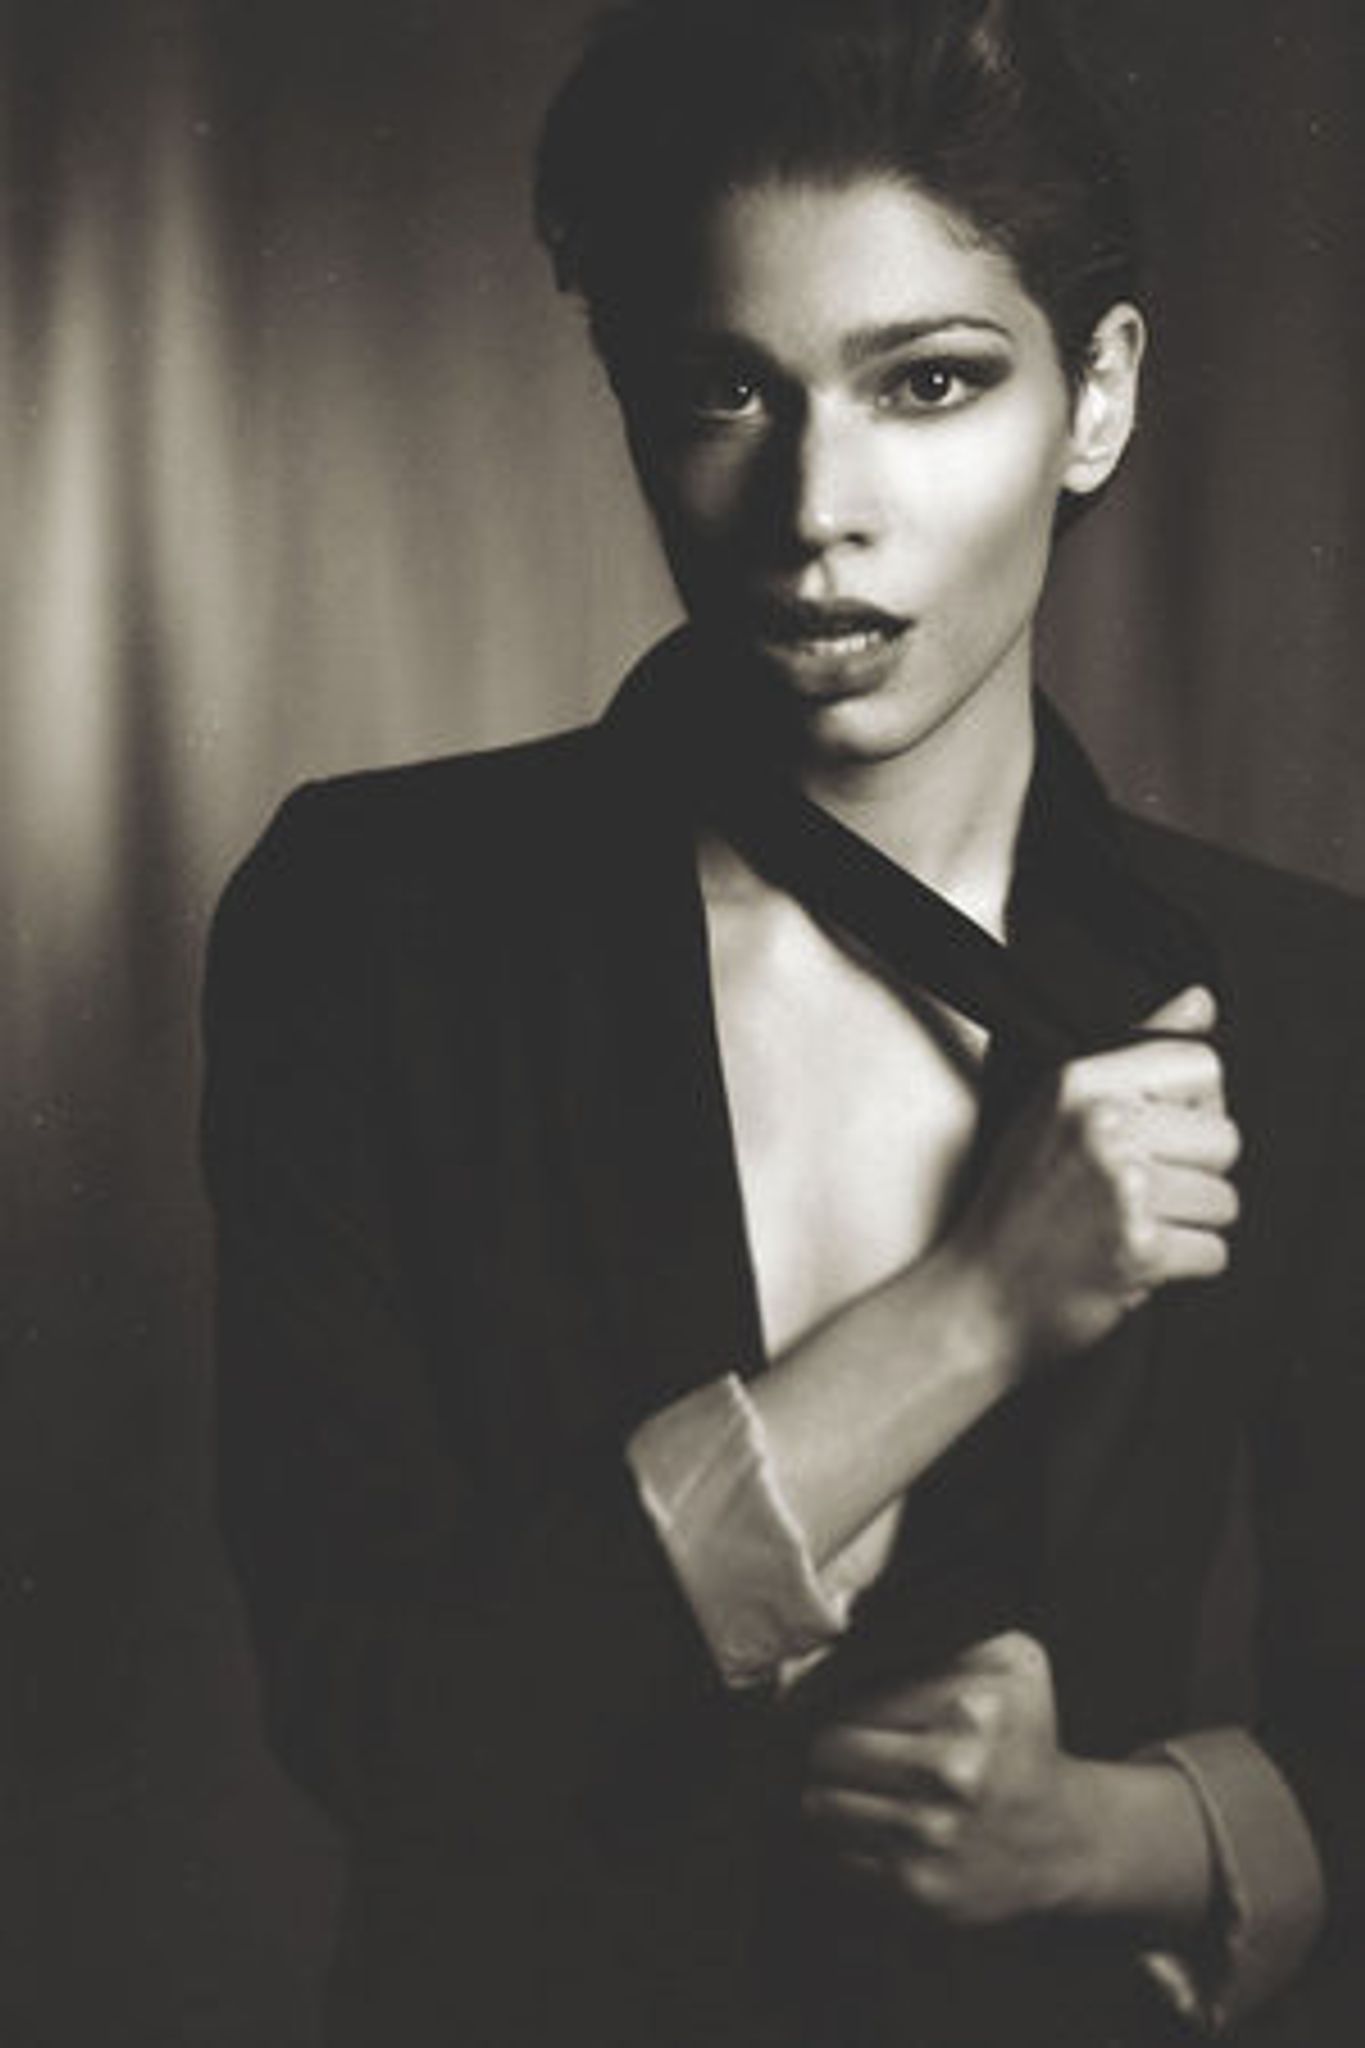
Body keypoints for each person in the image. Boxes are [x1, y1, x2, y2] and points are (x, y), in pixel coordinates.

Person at [202, 1, 1365, 2042]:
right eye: (726, 390)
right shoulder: (377, 921)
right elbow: (378, 1719)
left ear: (1094, 398)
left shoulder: (1300, 996)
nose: (817, 502)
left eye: (929, 382)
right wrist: (967, 1317)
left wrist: (1099, 1837)